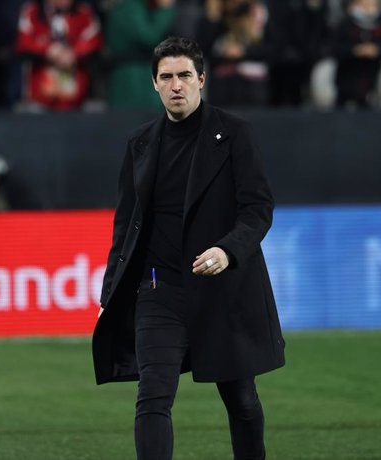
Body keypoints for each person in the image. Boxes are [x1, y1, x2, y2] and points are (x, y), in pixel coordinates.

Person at [92, 36, 285, 460]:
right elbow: (126, 222)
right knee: (153, 397)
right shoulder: (140, 143)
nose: (176, 85)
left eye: (184, 76)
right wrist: (111, 291)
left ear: (201, 79)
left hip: (222, 290)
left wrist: (227, 251)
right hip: (159, 290)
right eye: (167, 77)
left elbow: (257, 209)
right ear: (155, 85)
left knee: (242, 401)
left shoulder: (235, 133)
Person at [332, 0, 381, 108]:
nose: (368, 8)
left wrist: (377, 49)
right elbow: (335, 47)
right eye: (364, 4)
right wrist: (355, 50)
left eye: (372, 4)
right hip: (347, 77)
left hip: (373, 78)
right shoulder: (345, 24)